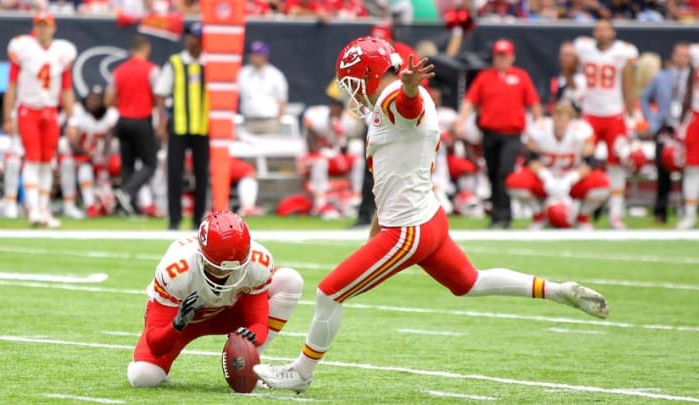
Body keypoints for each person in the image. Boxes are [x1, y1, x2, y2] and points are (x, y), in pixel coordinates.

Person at [253, 36, 609, 393]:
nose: (352, 93)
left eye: (353, 82)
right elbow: (390, 174)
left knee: (329, 293)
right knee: (470, 282)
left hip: (408, 229)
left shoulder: (397, 98)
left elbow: (407, 107)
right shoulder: (390, 100)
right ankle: (557, 291)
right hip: (426, 219)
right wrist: (376, 229)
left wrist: (408, 88)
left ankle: (301, 371)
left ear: (369, 74)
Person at [127, 210, 304, 388]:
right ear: (201, 254)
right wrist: (176, 325)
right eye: (218, 268)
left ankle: (250, 367)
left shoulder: (256, 262)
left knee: (289, 280)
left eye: (235, 268)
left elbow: (259, 324)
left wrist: (251, 338)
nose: (227, 272)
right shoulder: (176, 270)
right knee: (142, 377)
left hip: (228, 312)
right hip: (186, 323)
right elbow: (156, 344)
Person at [455, 38, 543, 229]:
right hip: (489, 132)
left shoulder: (521, 76)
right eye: (498, 56)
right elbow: (471, 101)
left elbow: (533, 102)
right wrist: (461, 121)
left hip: (511, 133)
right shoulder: (485, 77)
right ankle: (497, 215)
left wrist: (539, 124)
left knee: (505, 172)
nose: (501, 59)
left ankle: (505, 215)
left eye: (504, 56)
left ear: (512, 57)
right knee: (493, 173)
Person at [3, 12, 77, 227]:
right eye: (39, 25)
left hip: (50, 110)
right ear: (34, 27)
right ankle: (33, 208)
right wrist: (8, 116)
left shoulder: (62, 52)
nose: (43, 29)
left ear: (53, 28)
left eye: (46, 26)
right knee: (33, 159)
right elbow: (12, 85)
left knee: (48, 162)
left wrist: (71, 120)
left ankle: (43, 210)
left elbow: (66, 89)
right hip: (29, 109)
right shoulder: (23, 48)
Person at [573, 19, 638, 229]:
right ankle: (576, 212)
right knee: (581, 161)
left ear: (613, 32)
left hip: (614, 114)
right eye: (598, 29)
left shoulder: (623, 52)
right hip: (590, 114)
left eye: (605, 29)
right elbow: (570, 68)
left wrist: (631, 115)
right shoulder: (583, 48)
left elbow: (628, 85)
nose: (601, 33)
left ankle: (615, 215)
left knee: (616, 165)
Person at [506, 103, 611, 230]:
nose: (560, 123)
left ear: (571, 121)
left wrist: (572, 178)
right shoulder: (540, 129)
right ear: (552, 117)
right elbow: (530, 159)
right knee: (514, 182)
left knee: (603, 184)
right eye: (557, 118)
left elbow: (591, 162)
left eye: (564, 119)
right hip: (545, 179)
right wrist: (545, 176)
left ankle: (582, 217)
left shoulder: (581, 132)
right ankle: (538, 215)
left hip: (573, 180)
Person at [154, 22, 211, 230]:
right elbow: (161, 93)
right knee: (174, 173)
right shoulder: (175, 63)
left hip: (204, 127)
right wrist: (161, 122)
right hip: (178, 126)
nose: (193, 41)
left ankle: (198, 221)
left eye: (197, 37)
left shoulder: (210, 64)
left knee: (202, 175)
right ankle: (174, 219)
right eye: (191, 37)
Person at [105, 34, 159, 216]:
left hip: (123, 120)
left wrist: (124, 102)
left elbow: (108, 99)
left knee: (127, 164)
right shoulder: (151, 70)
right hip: (142, 119)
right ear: (146, 49)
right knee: (150, 163)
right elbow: (158, 96)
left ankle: (125, 206)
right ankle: (126, 192)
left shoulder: (119, 70)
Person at [640, 43, 690, 224]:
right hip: (665, 126)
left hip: (687, 128)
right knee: (662, 169)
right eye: (679, 54)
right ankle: (660, 213)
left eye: (685, 55)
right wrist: (651, 118)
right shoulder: (661, 77)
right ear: (673, 56)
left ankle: (687, 212)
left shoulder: (694, 78)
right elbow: (644, 97)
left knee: (689, 171)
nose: (682, 58)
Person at [299, 82, 364, 219]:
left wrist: (337, 150)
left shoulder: (347, 121)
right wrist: (323, 150)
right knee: (320, 161)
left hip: (333, 157)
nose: (334, 109)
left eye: (337, 107)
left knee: (358, 158)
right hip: (311, 156)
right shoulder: (317, 117)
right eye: (332, 106)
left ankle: (356, 195)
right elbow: (311, 142)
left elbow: (345, 145)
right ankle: (320, 202)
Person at [58, 85, 119, 219]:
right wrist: (85, 152)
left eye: (97, 99)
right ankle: (80, 204)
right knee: (72, 163)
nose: (93, 102)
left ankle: (104, 202)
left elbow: (109, 138)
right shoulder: (78, 112)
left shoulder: (111, 115)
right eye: (91, 99)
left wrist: (106, 156)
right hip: (79, 154)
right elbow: (71, 141)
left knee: (112, 165)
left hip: (98, 155)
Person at [237, 41, 288, 135]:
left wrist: (278, 121)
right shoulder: (243, 73)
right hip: (249, 122)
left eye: (256, 54)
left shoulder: (275, 75)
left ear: (265, 56)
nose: (253, 57)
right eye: (251, 54)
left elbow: (282, 100)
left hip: (269, 122)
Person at [676, 43, 699, 230]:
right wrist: (682, 121)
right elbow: (690, 89)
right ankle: (690, 214)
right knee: (692, 168)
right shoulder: (695, 53)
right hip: (697, 116)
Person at [548, 41, 587, 114]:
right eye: (563, 55)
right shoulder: (554, 76)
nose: (565, 59)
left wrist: (568, 73)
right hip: (555, 117)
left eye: (569, 55)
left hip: (575, 118)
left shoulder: (581, 78)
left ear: (576, 58)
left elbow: (575, 92)